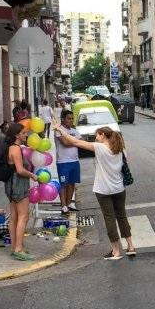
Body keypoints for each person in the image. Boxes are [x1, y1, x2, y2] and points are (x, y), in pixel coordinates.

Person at [59, 126, 136, 259]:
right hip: (119, 188)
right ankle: (130, 246)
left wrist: (60, 131)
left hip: (103, 190)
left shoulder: (100, 148)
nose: (96, 138)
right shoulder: (120, 149)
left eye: (97, 135)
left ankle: (116, 251)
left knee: (109, 218)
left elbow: (76, 142)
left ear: (103, 135)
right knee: (122, 216)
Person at [4, 122, 39, 260]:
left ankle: (15, 247)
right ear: (16, 135)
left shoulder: (11, 147)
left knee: (14, 217)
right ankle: (19, 249)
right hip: (18, 185)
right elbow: (19, 170)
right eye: (24, 133)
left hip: (11, 185)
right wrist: (32, 175)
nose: (26, 135)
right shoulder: (15, 149)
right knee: (23, 216)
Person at [54, 110, 82, 214]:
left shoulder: (75, 130)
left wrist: (74, 141)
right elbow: (65, 142)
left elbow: (81, 142)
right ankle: (63, 206)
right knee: (64, 184)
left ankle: (69, 203)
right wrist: (74, 141)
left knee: (72, 183)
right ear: (63, 119)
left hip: (75, 161)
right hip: (63, 162)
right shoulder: (58, 130)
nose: (71, 121)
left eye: (72, 118)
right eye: (69, 118)